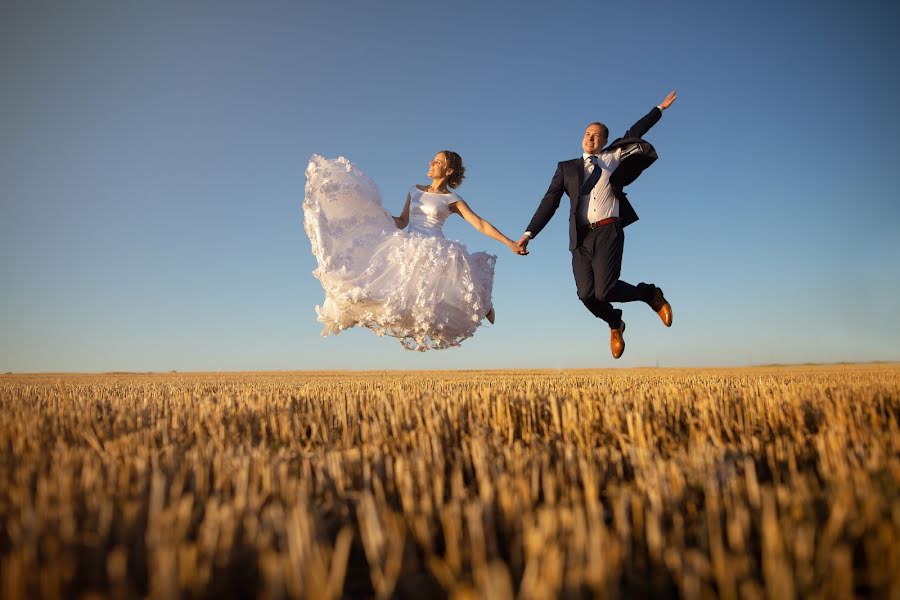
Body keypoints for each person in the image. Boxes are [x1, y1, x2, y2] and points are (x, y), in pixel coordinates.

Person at [303, 151, 521, 351]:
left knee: (447, 294)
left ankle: (482, 304)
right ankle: (356, 310)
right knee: (383, 289)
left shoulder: (452, 200)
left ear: (449, 170)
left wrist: (509, 242)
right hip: (409, 247)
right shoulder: (414, 190)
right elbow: (402, 221)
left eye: (437, 161)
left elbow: (479, 224)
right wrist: (374, 215)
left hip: (435, 249)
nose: (431, 163)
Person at [516, 90, 678, 359]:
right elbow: (549, 202)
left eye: (596, 135)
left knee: (605, 290)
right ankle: (615, 322)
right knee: (586, 295)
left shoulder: (612, 157)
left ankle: (650, 295)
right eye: (587, 134)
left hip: (608, 231)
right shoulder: (566, 168)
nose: (590, 138)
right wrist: (528, 233)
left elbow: (636, 130)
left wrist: (658, 109)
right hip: (580, 239)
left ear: (604, 140)